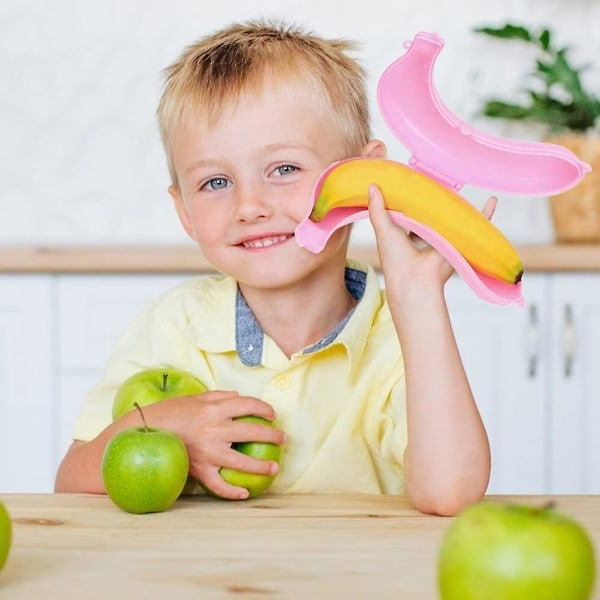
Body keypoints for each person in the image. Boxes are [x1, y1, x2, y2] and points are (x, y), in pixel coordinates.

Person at [55, 19, 492, 515]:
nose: (250, 206)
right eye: (216, 182)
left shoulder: (400, 334)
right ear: (184, 213)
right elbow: (71, 483)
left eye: (284, 169)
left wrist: (418, 297)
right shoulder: (174, 327)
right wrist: (162, 422)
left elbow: (450, 493)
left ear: (364, 177)